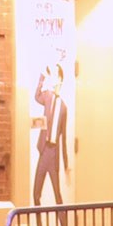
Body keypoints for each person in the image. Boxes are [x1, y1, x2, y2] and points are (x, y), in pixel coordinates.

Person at [32, 64, 68, 205]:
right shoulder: (47, 96)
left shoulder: (64, 108)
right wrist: (42, 77)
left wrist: (66, 163)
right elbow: (36, 96)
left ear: (59, 79)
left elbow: (63, 137)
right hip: (44, 150)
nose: (52, 79)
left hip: (53, 153)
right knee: (36, 194)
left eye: (54, 76)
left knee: (57, 195)